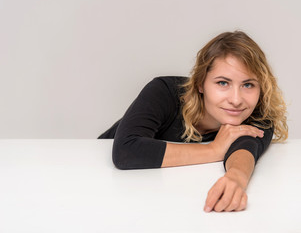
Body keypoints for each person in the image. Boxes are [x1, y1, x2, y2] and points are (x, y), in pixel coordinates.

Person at [98, 31, 288, 212]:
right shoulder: (164, 92)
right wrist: (213, 150)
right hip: (97, 173)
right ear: (200, 83)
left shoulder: (257, 114)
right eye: (223, 83)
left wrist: (236, 178)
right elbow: (126, 151)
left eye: (248, 85)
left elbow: (246, 147)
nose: (236, 99)